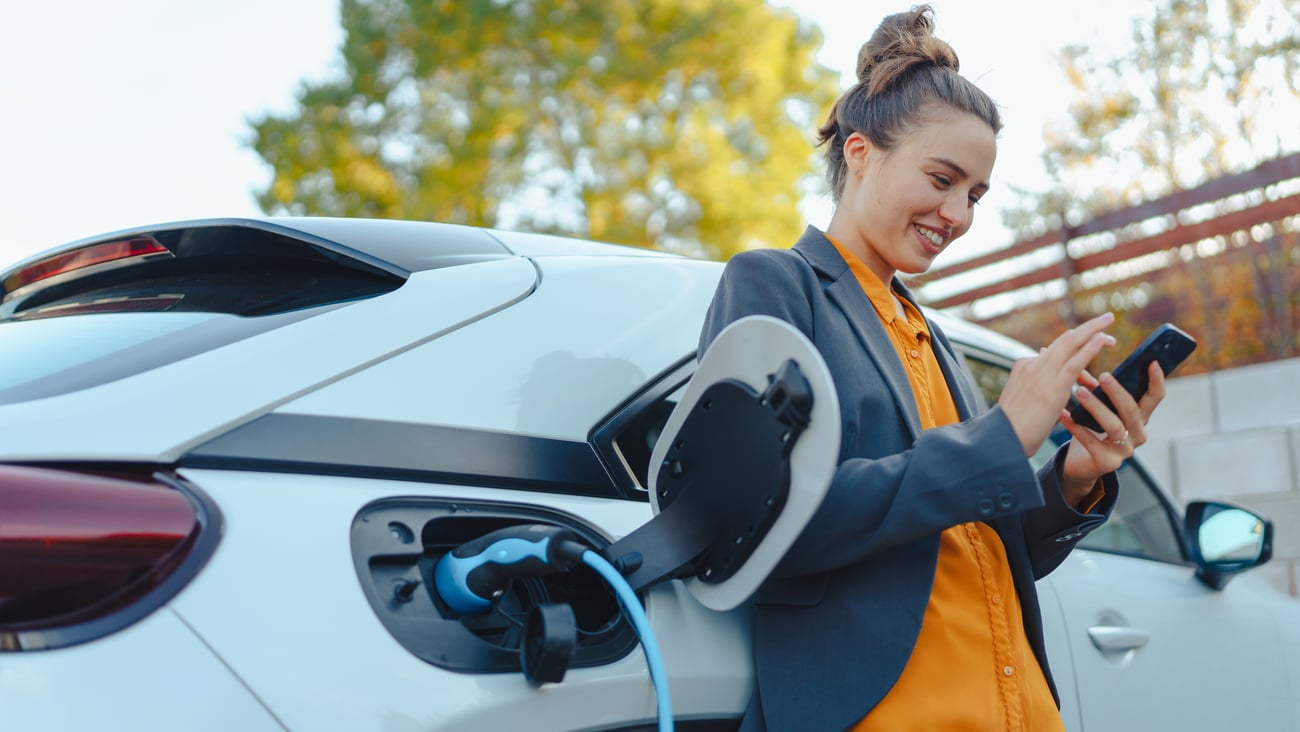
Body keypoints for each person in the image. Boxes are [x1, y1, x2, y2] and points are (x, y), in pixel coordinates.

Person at [697, 6, 1167, 731]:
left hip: (1018, 709)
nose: (959, 214)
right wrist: (1002, 437)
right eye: (943, 178)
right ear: (859, 153)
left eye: (975, 195)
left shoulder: (928, 332)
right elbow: (763, 518)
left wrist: (1075, 476)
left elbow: (977, 546)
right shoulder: (773, 285)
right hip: (891, 712)